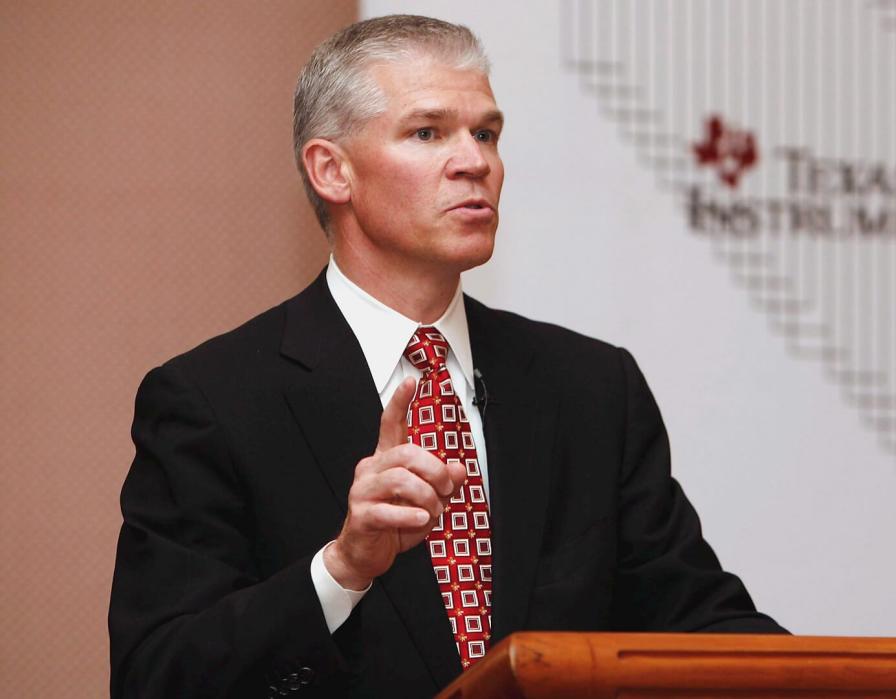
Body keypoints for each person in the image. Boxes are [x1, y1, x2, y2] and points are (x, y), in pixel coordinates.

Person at [109, 15, 783, 699]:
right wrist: (341, 569)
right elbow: (157, 675)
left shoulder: (591, 388)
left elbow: (700, 623)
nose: (475, 161)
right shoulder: (214, 401)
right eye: (428, 132)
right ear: (331, 170)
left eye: (485, 133)